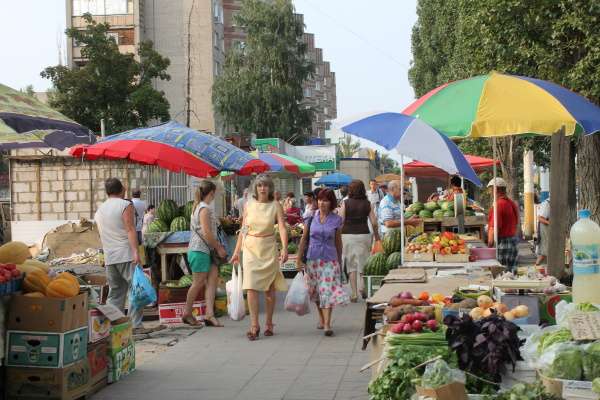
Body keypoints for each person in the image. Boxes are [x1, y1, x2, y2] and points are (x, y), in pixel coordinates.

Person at [230, 174, 288, 341]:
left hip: (268, 247)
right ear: (255, 188)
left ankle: (269, 323)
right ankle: (254, 325)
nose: (262, 188)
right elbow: (243, 229)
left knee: (270, 288)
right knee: (250, 287)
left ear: (270, 188)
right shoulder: (248, 205)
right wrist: (236, 252)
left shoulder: (276, 205)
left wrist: (284, 248)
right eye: (260, 185)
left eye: (265, 186)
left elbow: (282, 228)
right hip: (250, 248)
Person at [95, 178, 147, 334]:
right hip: (125, 254)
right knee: (136, 289)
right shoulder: (125, 205)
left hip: (110, 256)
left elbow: (100, 234)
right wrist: (136, 252)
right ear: (122, 189)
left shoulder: (100, 210)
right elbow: (130, 229)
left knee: (116, 293)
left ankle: (113, 327)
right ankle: (135, 326)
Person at [297, 189, 349, 336]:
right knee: (316, 293)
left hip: (330, 260)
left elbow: (338, 243)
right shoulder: (310, 218)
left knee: (327, 291)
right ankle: (321, 318)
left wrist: (339, 261)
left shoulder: (336, 220)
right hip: (312, 259)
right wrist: (299, 259)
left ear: (331, 202)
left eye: (325, 200)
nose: (322, 203)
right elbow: (303, 239)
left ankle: (327, 324)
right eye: (320, 200)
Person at [339, 180, 380, 302]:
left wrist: (337, 237)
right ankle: (363, 287)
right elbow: (374, 222)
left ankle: (354, 293)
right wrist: (377, 236)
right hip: (364, 234)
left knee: (351, 265)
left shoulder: (345, 203)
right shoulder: (368, 204)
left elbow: (341, 221)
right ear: (363, 189)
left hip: (347, 235)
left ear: (350, 190)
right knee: (363, 262)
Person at [487, 178, 520, 271]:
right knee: (511, 274)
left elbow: (494, 228)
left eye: (491, 189)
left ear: (496, 189)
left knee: (499, 274)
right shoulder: (511, 203)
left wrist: (489, 246)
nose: (490, 192)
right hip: (512, 242)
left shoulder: (499, 204)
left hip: (502, 243)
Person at [536, 196, 550, 266]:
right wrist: (550, 223)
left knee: (547, 251)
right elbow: (540, 218)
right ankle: (536, 267)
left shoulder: (551, 203)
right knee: (544, 251)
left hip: (548, 229)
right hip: (544, 229)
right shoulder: (547, 203)